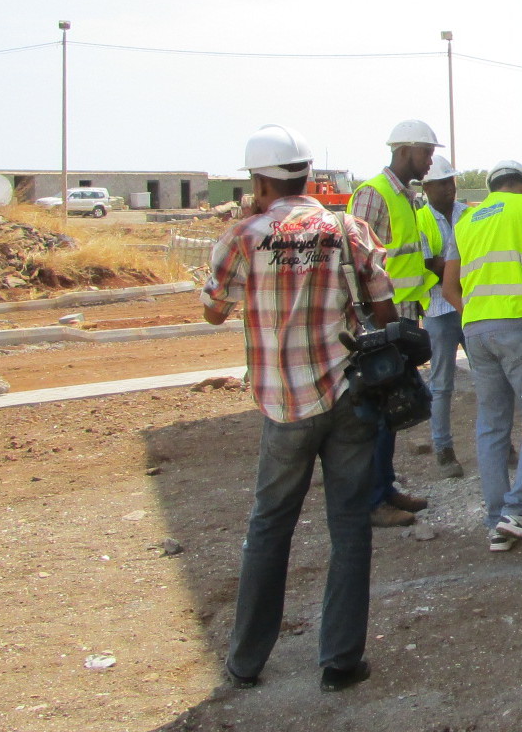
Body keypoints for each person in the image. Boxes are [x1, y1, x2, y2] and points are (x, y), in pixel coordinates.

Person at [203, 124, 393, 693]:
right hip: (349, 399)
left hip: (284, 404)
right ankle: (340, 662)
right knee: (350, 525)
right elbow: (384, 308)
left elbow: (214, 311)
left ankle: (246, 661)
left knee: (269, 527)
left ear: (260, 181)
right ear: (307, 174)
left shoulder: (244, 236)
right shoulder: (345, 227)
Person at [443, 160, 522, 550]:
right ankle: (521, 509)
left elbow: (449, 288)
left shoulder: (466, 222)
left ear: (492, 187)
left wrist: (476, 318)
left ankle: (498, 522)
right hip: (520, 324)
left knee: (492, 426)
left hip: (477, 330)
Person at [348, 119, 441, 527]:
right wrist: (376, 321)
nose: (430, 161)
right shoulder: (374, 195)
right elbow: (357, 264)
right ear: (404, 150)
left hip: (401, 318)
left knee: (392, 412)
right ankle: (372, 501)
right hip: (378, 324)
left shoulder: (408, 199)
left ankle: (385, 489)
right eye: (426, 152)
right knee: (375, 414)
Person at [416, 153, 466, 479]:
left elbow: (444, 262)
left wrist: (444, 265)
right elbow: (426, 264)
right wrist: (455, 267)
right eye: (442, 183)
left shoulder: (469, 215)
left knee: (492, 376)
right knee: (442, 384)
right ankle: (443, 448)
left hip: (470, 306)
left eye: (451, 181)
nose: (449, 188)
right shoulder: (419, 220)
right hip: (437, 309)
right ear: (427, 186)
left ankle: (501, 443)